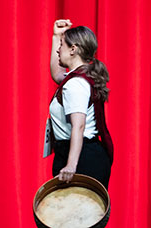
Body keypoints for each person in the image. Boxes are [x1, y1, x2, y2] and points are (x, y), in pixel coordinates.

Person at [47, 19, 114, 188]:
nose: (57, 49)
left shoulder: (75, 85)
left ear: (73, 49)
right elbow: (57, 74)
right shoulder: (80, 77)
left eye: (61, 45)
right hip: (83, 154)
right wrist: (57, 35)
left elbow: (79, 126)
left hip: (81, 158)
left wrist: (71, 165)